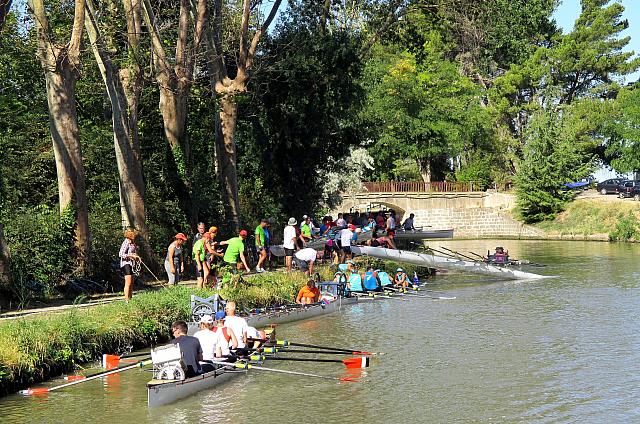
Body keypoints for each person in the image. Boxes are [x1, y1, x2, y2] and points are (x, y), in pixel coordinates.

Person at [118, 228, 138, 301]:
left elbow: (132, 252)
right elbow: (121, 254)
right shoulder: (126, 242)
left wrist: (135, 256)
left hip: (131, 263)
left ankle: (130, 298)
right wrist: (131, 256)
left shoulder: (133, 243)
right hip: (126, 263)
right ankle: (126, 300)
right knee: (128, 281)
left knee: (132, 282)